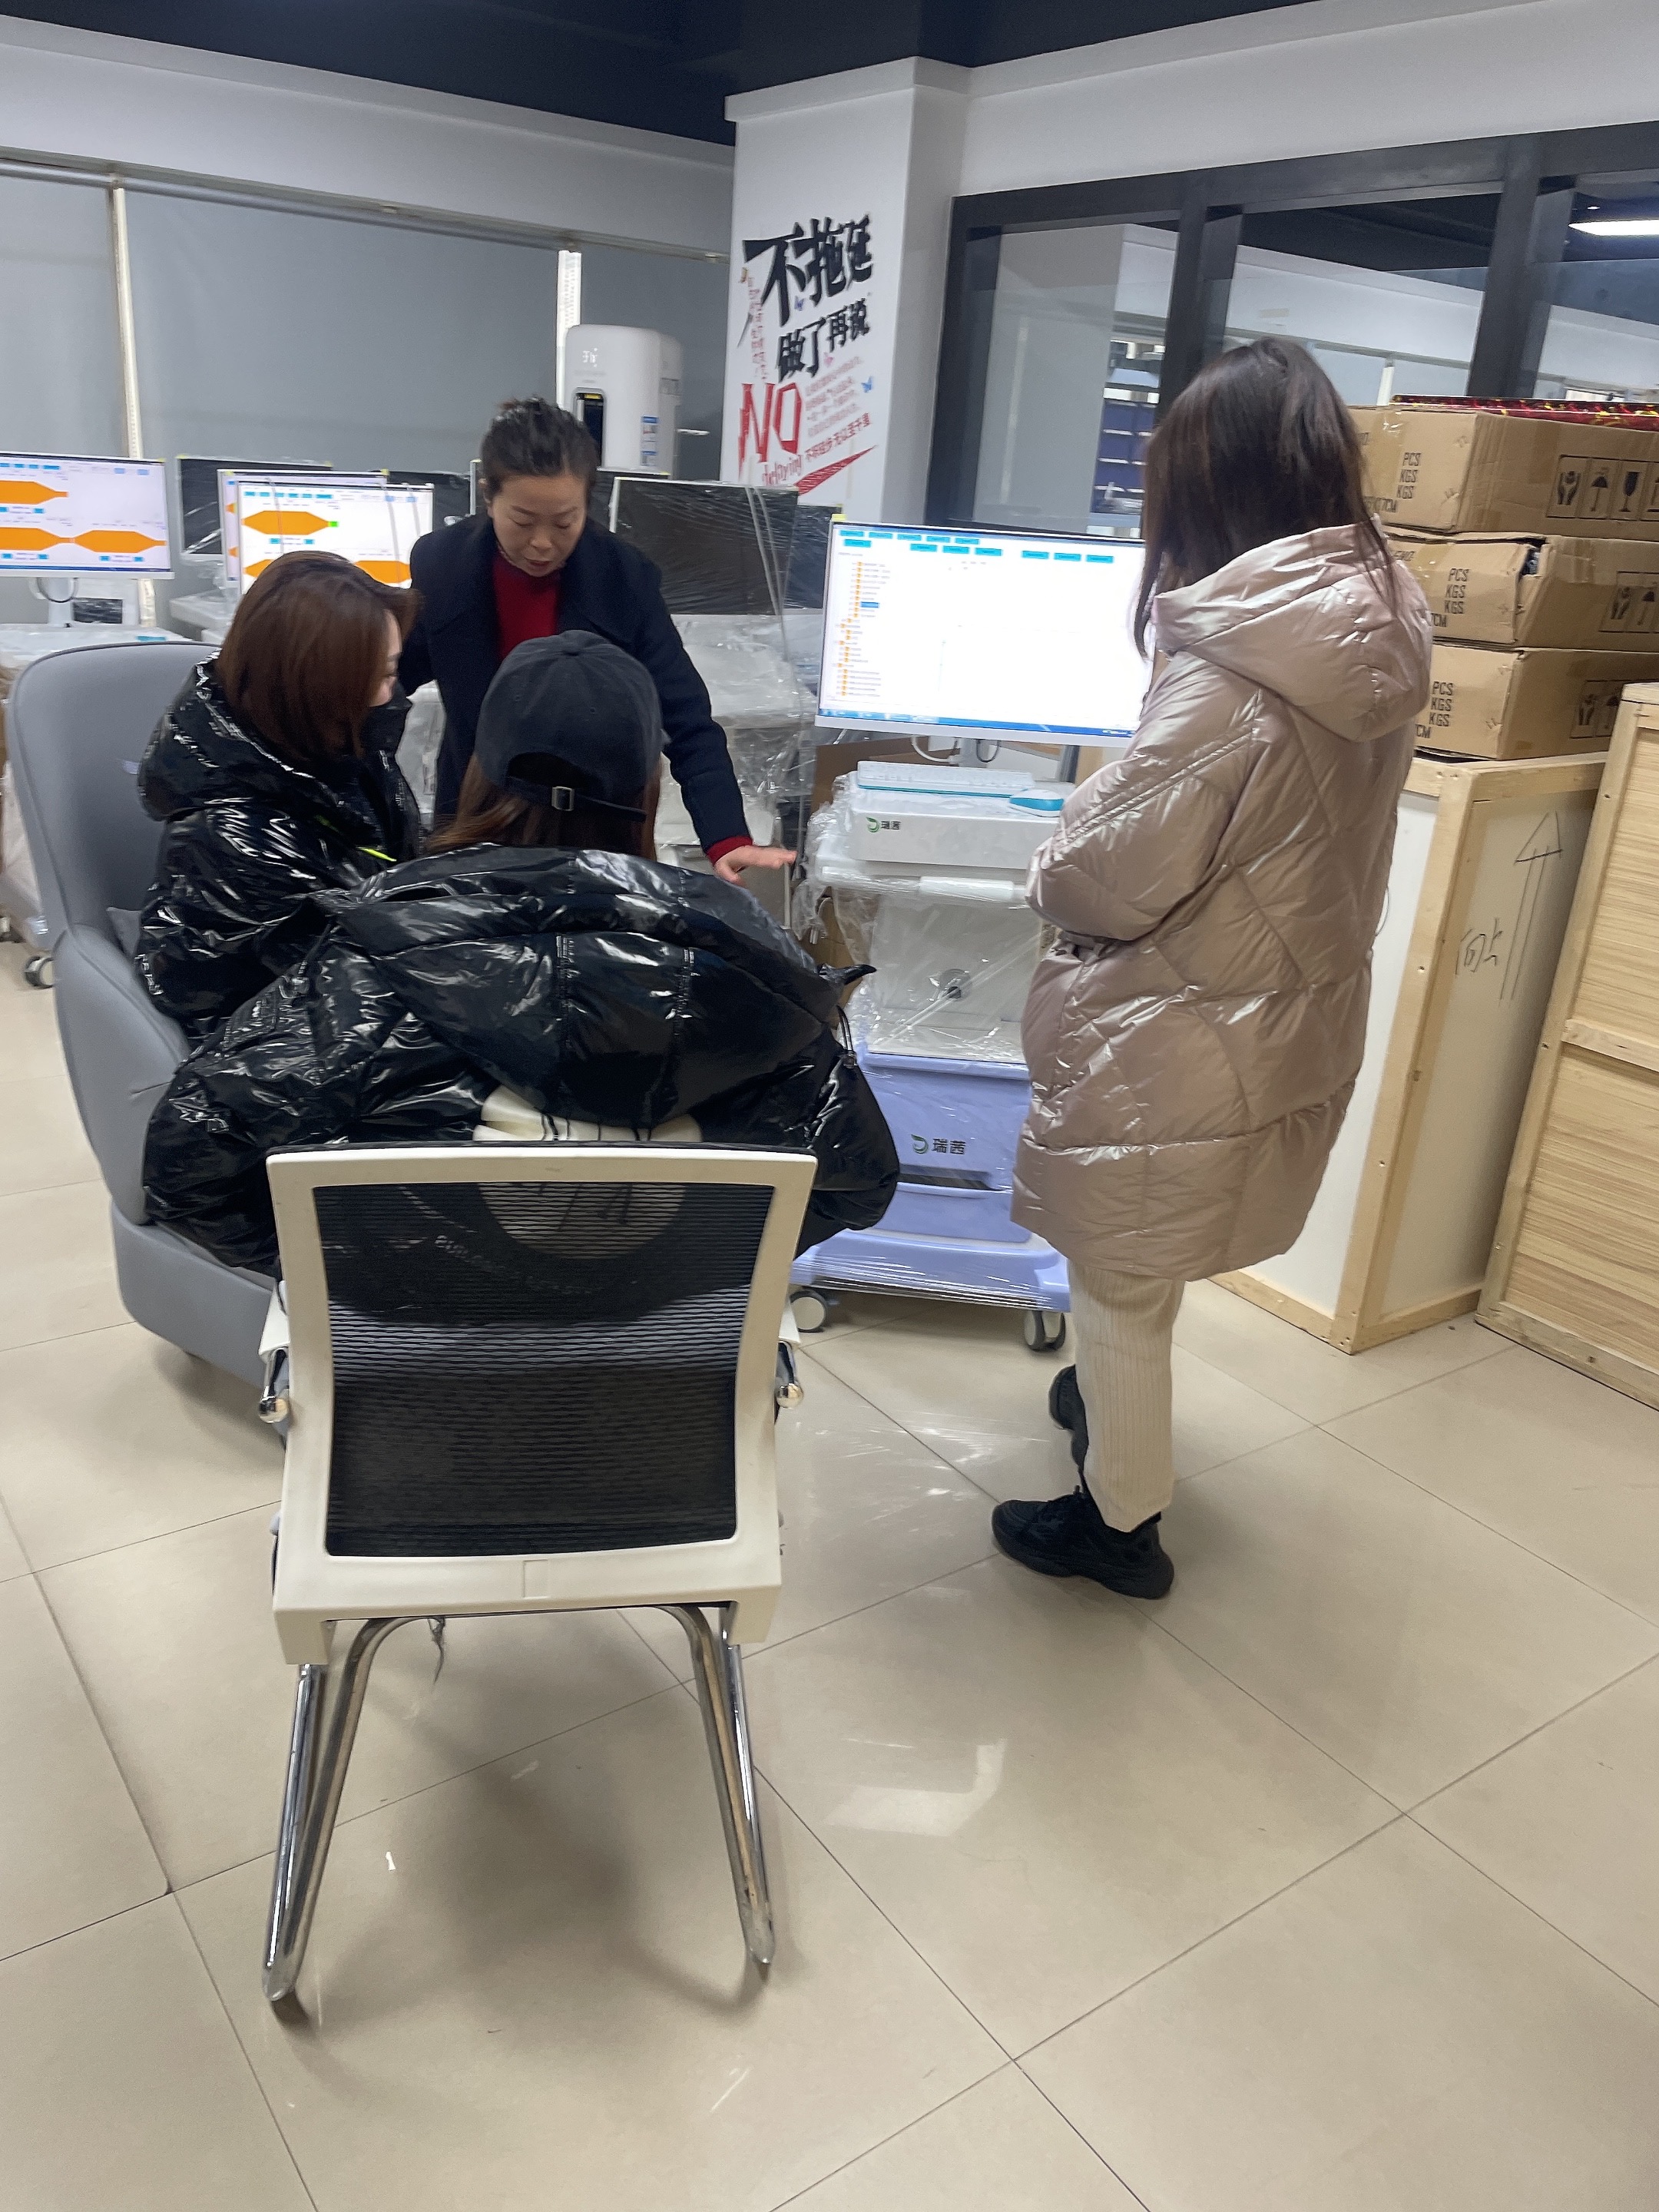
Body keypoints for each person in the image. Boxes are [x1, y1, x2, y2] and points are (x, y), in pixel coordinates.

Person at [992, 338, 1432, 1601]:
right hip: (1281, 1006)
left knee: (1119, 1274)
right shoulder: (1375, 627)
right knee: (1149, 1250)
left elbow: (1104, 879)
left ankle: (1119, 1524)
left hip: (1174, 1024)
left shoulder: (1233, 679)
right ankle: (1108, 1410)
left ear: (1208, 488)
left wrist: (1057, 841)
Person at [141, 632, 898, 1275]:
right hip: (658, 1379)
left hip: (414, 1375)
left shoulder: (376, 961)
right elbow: (858, 1181)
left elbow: (188, 1165)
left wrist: (359, 1272)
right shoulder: (750, 978)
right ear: (648, 786)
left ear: (478, 771)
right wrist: (674, 1273)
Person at [397, 396, 793, 886]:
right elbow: (390, 680)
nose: (542, 543)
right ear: (488, 496)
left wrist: (726, 837)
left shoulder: (623, 579)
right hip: (476, 816)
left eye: (565, 522)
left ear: (589, 503)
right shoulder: (443, 566)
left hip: (592, 825)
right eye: (523, 521)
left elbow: (687, 721)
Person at [134, 550, 421, 1036]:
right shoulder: (239, 845)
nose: (392, 695)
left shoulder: (335, 759)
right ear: (316, 690)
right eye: (382, 676)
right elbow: (351, 1005)